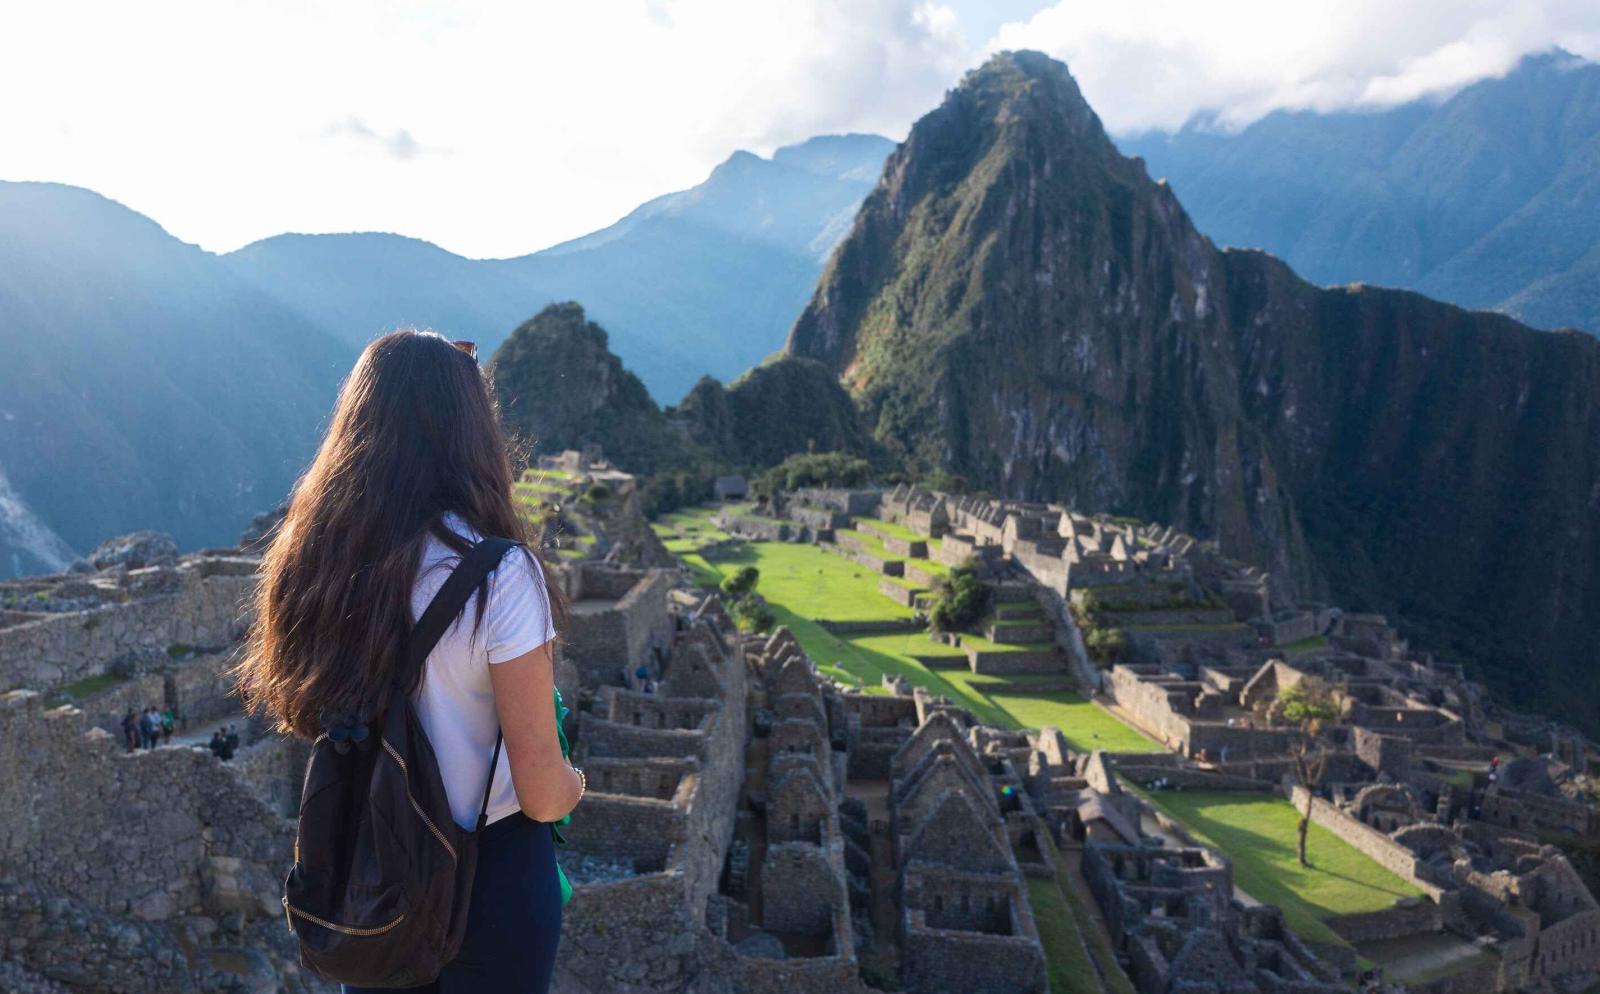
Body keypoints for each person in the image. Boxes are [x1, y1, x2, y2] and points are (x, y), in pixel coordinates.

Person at [235, 331, 580, 994]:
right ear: (473, 435)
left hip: (371, 865)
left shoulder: (319, 567)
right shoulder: (499, 574)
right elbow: (540, 790)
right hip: (492, 875)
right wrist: (576, 785)